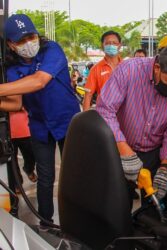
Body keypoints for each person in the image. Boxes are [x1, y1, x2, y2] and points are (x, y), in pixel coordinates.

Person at [96, 39, 167, 203]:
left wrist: (165, 167)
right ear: (157, 67)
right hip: (118, 147)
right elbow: (105, 110)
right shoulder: (129, 70)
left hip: (154, 154)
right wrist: (124, 151)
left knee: (152, 209)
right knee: (116, 206)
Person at [4, 14, 80, 225]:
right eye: (20, 41)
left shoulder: (52, 50)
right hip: (39, 127)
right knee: (45, 179)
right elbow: (16, 104)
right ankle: (46, 222)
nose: (28, 43)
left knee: (75, 175)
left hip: (68, 123)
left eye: (31, 36)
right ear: (10, 44)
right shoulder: (12, 69)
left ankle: (77, 221)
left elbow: (38, 81)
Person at [83, 31, 122, 111]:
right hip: (104, 116)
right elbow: (88, 96)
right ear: (102, 46)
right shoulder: (96, 69)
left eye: (114, 43)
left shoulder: (127, 67)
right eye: (108, 43)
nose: (111, 45)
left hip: (124, 115)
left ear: (119, 45)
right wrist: (85, 120)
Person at [9, 109, 37, 191]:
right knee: (12, 162)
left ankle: (29, 169)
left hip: (25, 129)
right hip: (8, 132)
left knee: (31, 155)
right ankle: (17, 183)